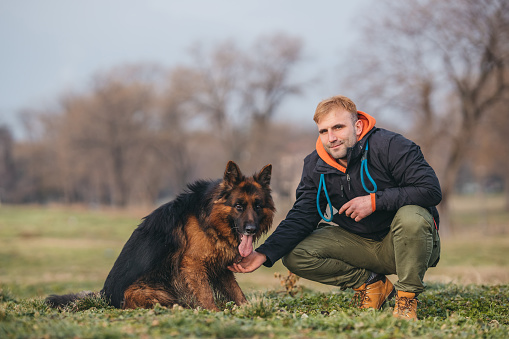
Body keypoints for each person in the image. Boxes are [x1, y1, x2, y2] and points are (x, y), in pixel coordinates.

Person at [228, 95, 441, 321]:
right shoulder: (315, 165)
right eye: (323, 131)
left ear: (357, 126)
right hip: (359, 245)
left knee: (412, 216)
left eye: (338, 127)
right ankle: (373, 285)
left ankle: (406, 299)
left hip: (407, 244)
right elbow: (302, 216)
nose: (331, 138)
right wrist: (263, 253)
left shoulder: (391, 146)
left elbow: (430, 190)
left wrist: (374, 201)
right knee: (295, 255)